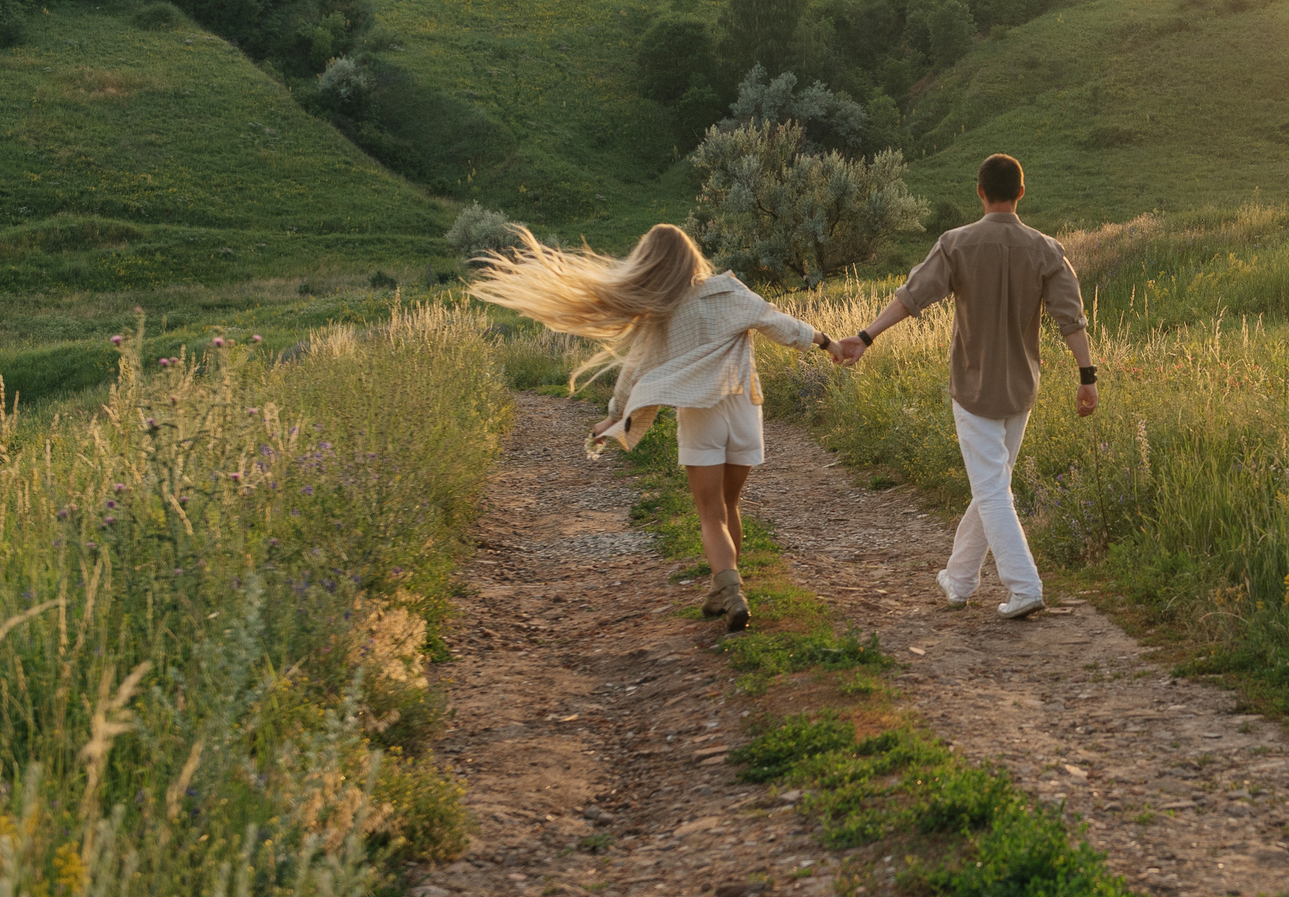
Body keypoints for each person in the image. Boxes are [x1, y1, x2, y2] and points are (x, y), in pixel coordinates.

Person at [467, 222, 839, 631]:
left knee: (710, 512)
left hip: (701, 414)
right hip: (744, 407)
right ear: (692, 256)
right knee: (730, 504)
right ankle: (725, 588)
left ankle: (730, 590)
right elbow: (780, 324)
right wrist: (827, 342)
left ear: (651, 264)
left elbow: (636, 371)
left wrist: (614, 414)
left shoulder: (664, 312)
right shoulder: (732, 291)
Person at [838, 153, 1095, 619]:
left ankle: (1024, 585)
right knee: (993, 485)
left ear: (979, 192)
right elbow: (1070, 319)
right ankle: (959, 581)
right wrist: (1087, 376)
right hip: (1021, 389)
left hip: (974, 387)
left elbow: (910, 298)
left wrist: (864, 337)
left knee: (993, 489)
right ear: (1021, 192)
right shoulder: (1047, 250)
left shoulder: (956, 243)